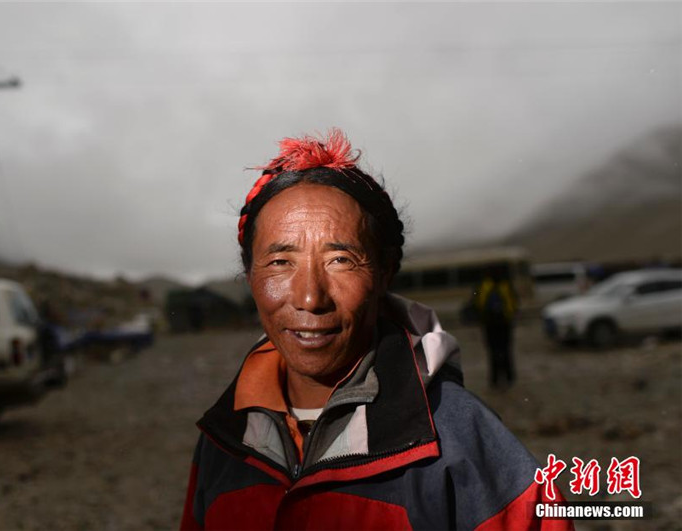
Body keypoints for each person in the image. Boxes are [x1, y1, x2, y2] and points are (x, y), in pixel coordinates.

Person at [180, 130, 573, 530]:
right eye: (280, 262)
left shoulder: (461, 437)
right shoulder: (223, 436)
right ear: (250, 277)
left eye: (340, 260)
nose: (311, 298)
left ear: (384, 274)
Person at [474, 266, 518, 389]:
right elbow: (514, 303)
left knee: (494, 352)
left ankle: (495, 379)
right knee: (505, 351)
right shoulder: (505, 285)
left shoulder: (484, 285)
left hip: (490, 324)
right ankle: (508, 378)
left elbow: (477, 303)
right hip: (503, 323)